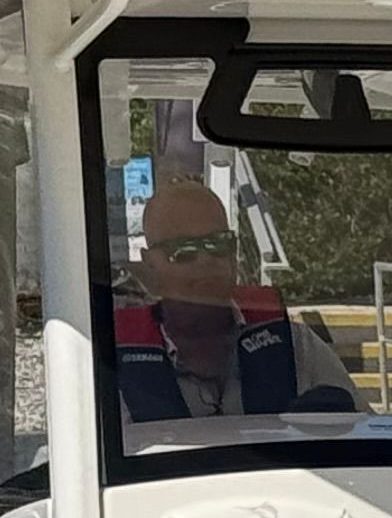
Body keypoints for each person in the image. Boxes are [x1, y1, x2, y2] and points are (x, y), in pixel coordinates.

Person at [112, 174, 357, 419]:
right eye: (183, 250)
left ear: (234, 251)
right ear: (149, 264)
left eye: (218, 244)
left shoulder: (295, 346)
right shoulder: (113, 363)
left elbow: (361, 426)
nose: (205, 260)